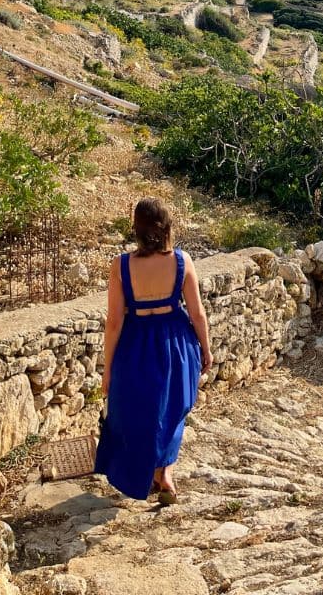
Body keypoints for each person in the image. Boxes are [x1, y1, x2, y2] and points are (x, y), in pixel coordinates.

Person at [94, 197, 212, 501]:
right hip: (175, 342)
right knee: (173, 409)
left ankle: (143, 473)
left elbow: (114, 322)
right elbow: (197, 314)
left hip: (135, 343)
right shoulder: (182, 261)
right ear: (168, 227)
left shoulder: (121, 266)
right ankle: (164, 474)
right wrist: (206, 349)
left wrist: (108, 369)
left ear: (135, 228)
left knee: (134, 411)